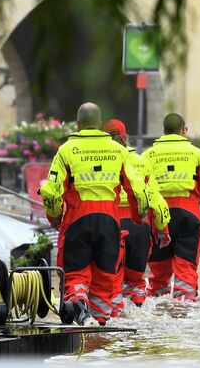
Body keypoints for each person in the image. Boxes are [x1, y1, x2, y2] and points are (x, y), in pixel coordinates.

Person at [39, 103, 149, 325]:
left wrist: (55, 216)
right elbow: (138, 189)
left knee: (76, 275)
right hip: (110, 221)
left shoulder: (66, 150)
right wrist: (138, 217)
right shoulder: (118, 150)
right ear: (99, 125)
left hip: (77, 220)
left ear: (78, 125)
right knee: (104, 279)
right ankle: (98, 326)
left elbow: (51, 191)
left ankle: (79, 304)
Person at [103, 119, 170, 315]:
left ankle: (113, 325)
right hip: (140, 227)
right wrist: (162, 229)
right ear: (126, 138)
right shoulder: (142, 162)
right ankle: (137, 321)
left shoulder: (103, 158)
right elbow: (156, 199)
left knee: (110, 282)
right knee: (136, 283)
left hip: (113, 224)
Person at [142, 113, 200, 301]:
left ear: (164, 132)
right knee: (185, 269)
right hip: (189, 214)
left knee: (158, 273)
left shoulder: (148, 155)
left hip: (158, 218)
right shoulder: (197, 154)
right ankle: (185, 310)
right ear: (183, 130)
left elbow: (140, 189)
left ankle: (157, 308)